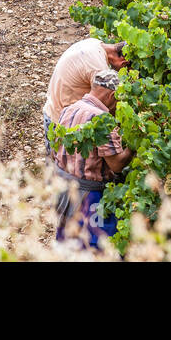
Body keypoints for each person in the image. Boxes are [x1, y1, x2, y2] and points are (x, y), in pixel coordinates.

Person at [52, 69, 134, 249]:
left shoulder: (69, 109)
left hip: (65, 191)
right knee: (93, 247)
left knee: (68, 243)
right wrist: (134, 145)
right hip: (90, 198)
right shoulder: (101, 119)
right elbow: (117, 164)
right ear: (113, 95)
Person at [41, 37, 128, 150]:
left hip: (53, 111)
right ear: (124, 63)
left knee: (54, 165)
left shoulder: (94, 44)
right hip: (64, 124)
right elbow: (105, 106)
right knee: (68, 166)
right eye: (126, 69)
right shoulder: (98, 69)